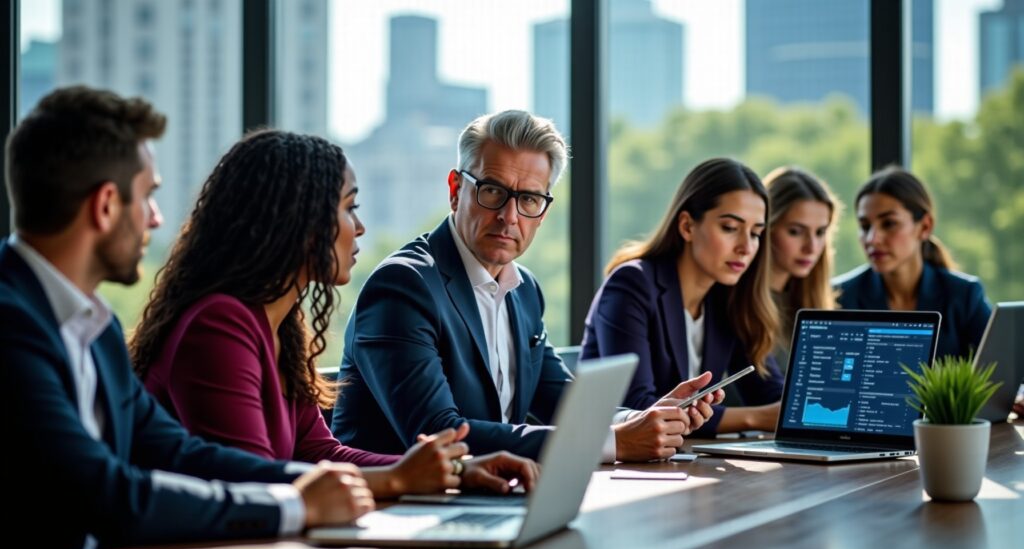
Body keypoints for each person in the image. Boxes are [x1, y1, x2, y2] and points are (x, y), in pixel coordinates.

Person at [0, 87, 373, 549]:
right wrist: (296, 504)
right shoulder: (11, 324)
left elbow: (179, 452)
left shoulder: (95, 327)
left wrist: (324, 486)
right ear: (106, 205)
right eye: (148, 196)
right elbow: (107, 493)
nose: (157, 218)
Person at [130, 129, 537, 498]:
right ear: (295, 219)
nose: (359, 227)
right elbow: (256, 484)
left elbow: (319, 452)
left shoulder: (281, 328)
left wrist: (456, 472)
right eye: (348, 208)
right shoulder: (218, 325)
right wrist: (397, 479)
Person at [331, 110, 721, 461]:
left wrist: (648, 418)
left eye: (529, 199)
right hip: (399, 507)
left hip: (490, 495)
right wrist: (613, 442)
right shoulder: (403, 286)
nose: (509, 216)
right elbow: (439, 434)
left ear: (543, 211)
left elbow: (562, 402)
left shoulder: (524, 290)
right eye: (492, 191)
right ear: (455, 190)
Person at [580, 158, 784, 436]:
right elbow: (639, 409)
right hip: (612, 455)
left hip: (680, 456)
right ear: (687, 226)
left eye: (756, 233)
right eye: (729, 228)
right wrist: (754, 419)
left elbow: (770, 394)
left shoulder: (728, 298)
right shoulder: (631, 284)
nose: (746, 247)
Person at [833, 166, 991, 359]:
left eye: (889, 224)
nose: (872, 239)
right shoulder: (841, 296)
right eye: (865, 226)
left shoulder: (964, 295)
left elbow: (1001, 368)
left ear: (925, 226)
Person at [764, 167, 840, 373]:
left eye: (820, 232)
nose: (811, 247)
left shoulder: (814, 303)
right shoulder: (738, 306)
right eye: (795, 232)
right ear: (766, 228)